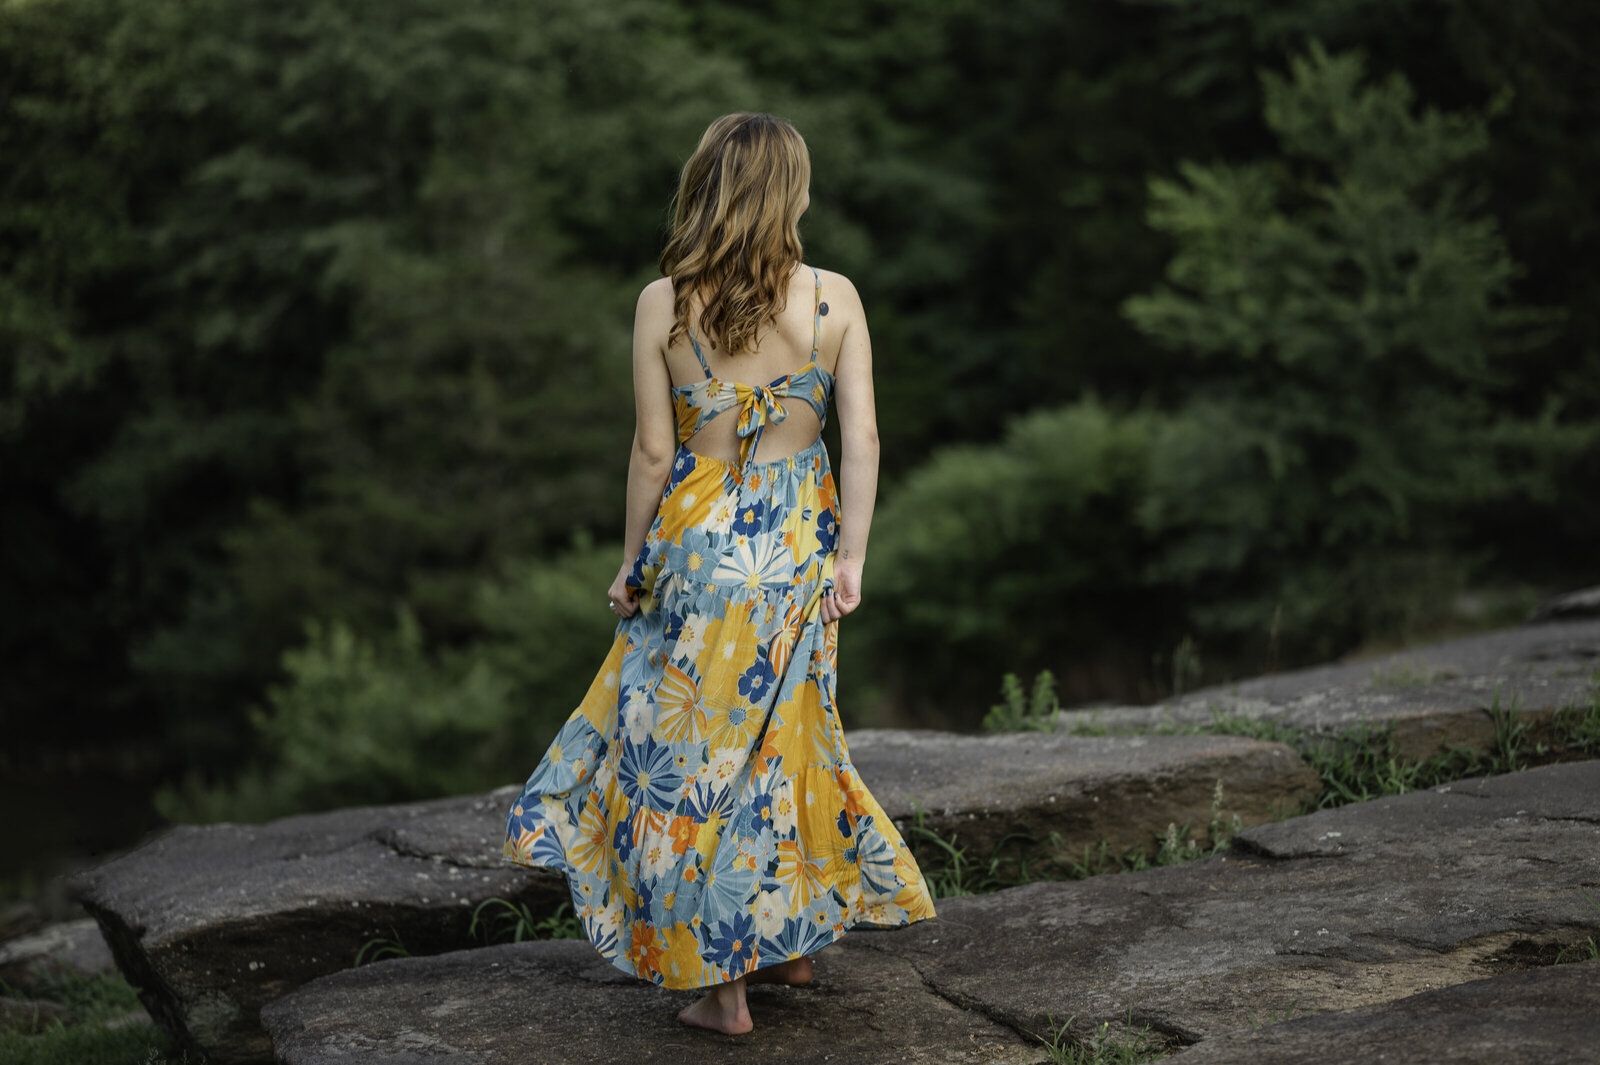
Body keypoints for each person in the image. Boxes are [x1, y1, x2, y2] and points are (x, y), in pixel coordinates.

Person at [501, 112, 935, 1035]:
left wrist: (630, 562)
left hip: (698, 550)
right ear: (795, 193)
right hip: (796, 548)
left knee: (688, 759)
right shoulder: (835, 298)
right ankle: (784, 944)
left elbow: (655, 455)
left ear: (705, 187)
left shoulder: (664, 303)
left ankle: (725, 987)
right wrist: (850, 554)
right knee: (782, 748)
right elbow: (860, 436)